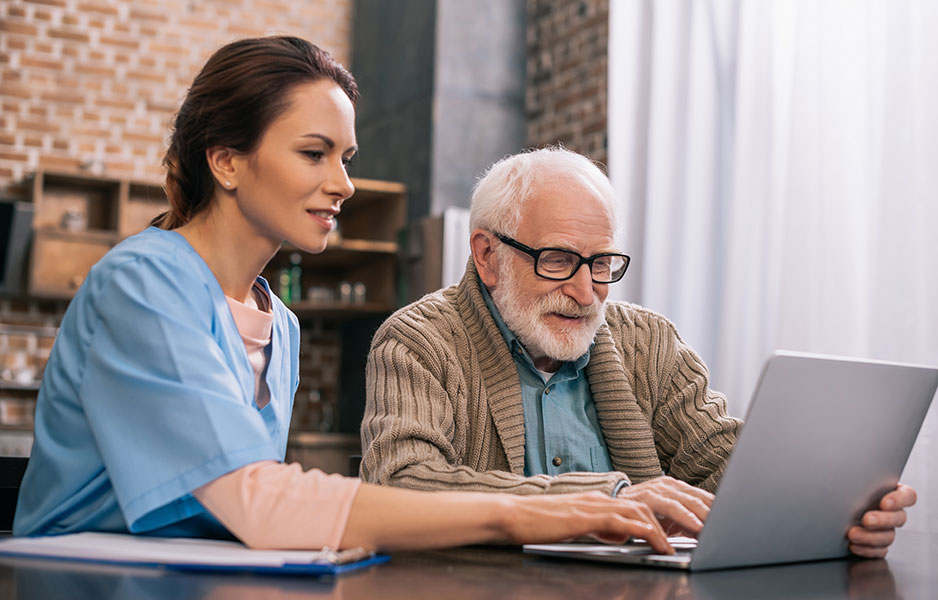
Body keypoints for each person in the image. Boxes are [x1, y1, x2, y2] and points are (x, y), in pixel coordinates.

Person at [12, 37, 678, 554]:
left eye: (347, 158)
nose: (344, 184)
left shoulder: (283, 326)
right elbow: (257, 501)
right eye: (314, 153)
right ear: (227, 160)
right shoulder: (143, 283)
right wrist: (523, 511)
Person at [360, 146, 916, 558]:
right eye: (557, 260)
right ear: (487, 255)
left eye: (601, 263)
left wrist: (830, 504)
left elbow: (724, 463)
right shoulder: (418, 340)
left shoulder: (648, 341)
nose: (585, 292)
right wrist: (608, 496)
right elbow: (401, 485)